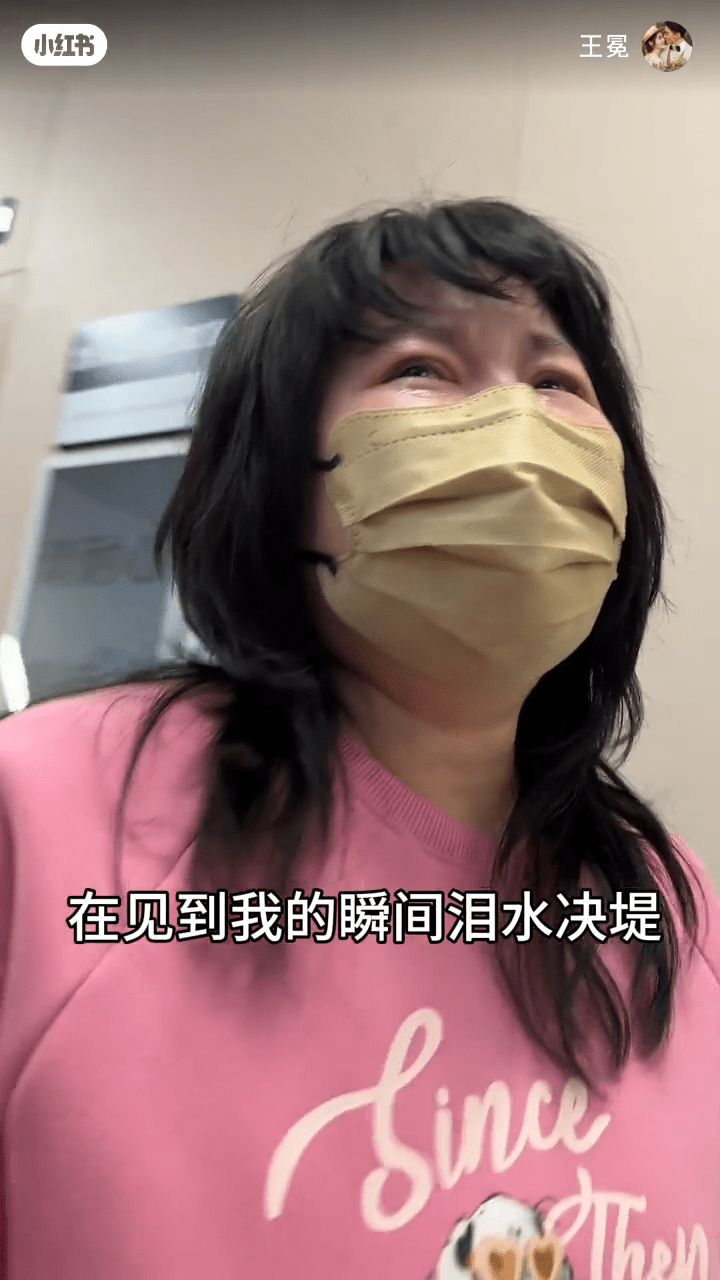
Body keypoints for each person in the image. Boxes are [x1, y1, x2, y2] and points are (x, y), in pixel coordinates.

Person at [1, 198, 719, 1279]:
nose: (515, 428)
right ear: (279, 481)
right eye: (420, 368)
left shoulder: (670, 904)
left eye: (556, 382)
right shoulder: (49, 813)